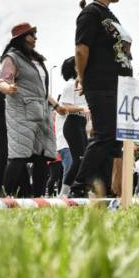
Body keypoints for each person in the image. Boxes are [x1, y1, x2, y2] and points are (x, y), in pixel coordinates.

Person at [69, 0, 134, 198]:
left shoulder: (110, 15)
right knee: (104, 135)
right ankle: (78, 188)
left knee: (115, 142)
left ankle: (106, 191)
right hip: (102, 82)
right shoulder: (91, 13)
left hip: (121, 87)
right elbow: (81, 49)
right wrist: (81, 76)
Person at [0, 23, 64, 198]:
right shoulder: (12, 58)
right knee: (19, 156)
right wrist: (8, 88)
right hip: (21, 112)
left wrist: (56, 106)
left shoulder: (37, 61)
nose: (35, 37)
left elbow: (41, 90)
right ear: (21, 37)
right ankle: (4, 197)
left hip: (41, 113)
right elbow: (3, 80)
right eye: (32, 34)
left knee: (42, 157)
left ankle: (37, 199)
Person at [56, 57, 89, 197]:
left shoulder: (82, 84)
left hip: (81, 124)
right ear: (75, 67)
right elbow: (65, 106)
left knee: (85, 159)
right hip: (72, 123)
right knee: (79, 159)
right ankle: (64, 193)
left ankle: (79, 191)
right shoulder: (70, 85)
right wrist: (83, 108)